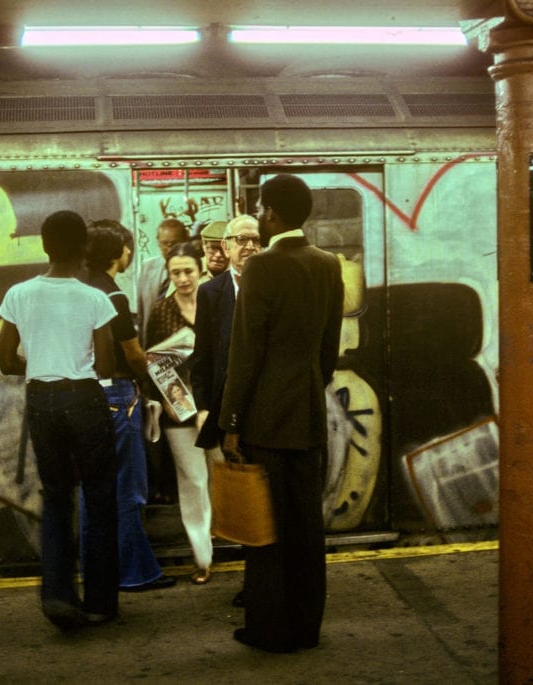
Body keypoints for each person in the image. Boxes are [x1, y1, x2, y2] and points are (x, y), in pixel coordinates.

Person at [219, 174, 344, 653]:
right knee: (307, 529)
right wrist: (311, 386)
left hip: (265, 422)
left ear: (271, 213)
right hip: (308, 414)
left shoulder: (261, 268)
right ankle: (306, 626)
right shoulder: (327, 264)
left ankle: (269, 630)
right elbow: (329, 349)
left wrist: (232, 421)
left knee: (265, 529)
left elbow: (245, 352)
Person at [0, 210, 120, 629]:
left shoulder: (19, 294)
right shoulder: (94, 299)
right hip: (84, 398)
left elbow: (4, 360)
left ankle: (56, 595)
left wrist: (41, 362)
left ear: (45, 246)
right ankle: (101, 601)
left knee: (56, 497)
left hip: (40, 400)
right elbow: (105, 365)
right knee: (100, 498)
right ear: (84, 247)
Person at [79, 220, 175, 593]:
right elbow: (132, 353)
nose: (129, 253)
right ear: (118, 252)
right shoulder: (112, 296)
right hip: (118, 396)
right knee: (128, 488)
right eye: (126, 247)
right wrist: (157, 369)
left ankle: (97, 572)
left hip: (87, 395)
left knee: (93, 490)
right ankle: (135, 571)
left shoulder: (80, 289)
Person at [145, 242, 214, 585]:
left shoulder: (218, 302)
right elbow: (153, 363)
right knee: (193, 482)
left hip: (216, 408)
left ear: (200, 269)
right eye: (176, 273)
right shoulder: (161, 311)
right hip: (178, 412)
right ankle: (203, 555)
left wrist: (208, 406)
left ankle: (238, 539)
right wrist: (179, 403)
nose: (183, 278)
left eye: (189, 271)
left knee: (226, 479)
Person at [193, 214, 262, 460]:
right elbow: (203, 353)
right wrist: (202, 407)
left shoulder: (275, 285)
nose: (250, 247)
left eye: (257, 240)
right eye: (242, 240)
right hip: (225, 406)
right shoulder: (210, 292)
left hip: (265, 406)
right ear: (226, 246)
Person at [137, 218, 190, 346]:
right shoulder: (147, 267)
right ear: (158, 242)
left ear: (185, 241)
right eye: (165, 243)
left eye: (174, 243)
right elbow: (142, 312)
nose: (169, 248)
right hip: (152, 340)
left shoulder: (193, 269)